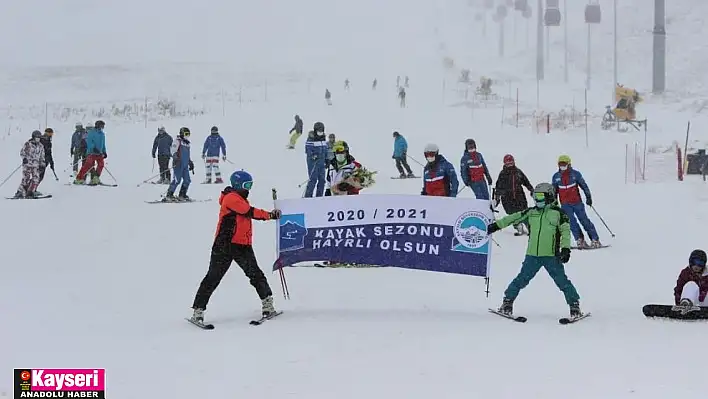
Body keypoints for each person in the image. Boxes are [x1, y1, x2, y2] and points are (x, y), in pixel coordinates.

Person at [190, 170, 282, 324]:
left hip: (242, 245)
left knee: (255, 274)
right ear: (238, 184)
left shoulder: (238, 197)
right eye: (247, 185)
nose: (249, 189)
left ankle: (268, 304)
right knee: (213, 277)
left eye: (250, 185)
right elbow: (249, 212)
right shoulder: (231, 198)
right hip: (224, 245)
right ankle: (198, 310)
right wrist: (270, 215)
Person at [486, 183, 583, 318]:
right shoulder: (531, 212)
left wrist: (565, 249)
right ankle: (507, 302)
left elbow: (565, 232)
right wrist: (496, 225)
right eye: (535, 197)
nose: (537, 200)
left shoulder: (559, 214)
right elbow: (513, 217)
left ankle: (574, 305)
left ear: (549, 196)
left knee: (562, 281)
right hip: (532, 255)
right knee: (521, 279)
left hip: (551, 256)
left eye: (540, 196)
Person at [551, 155, 601, 249]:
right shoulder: (556, 177)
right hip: (565, 205)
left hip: (576, 202)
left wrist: (588, 197)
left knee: (584, 221)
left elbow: (584, 186)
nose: (562, 166)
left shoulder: (575, 174)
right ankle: (580, 240)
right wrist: (554, 202)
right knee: (571, 223)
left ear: (569, 164)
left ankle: (595, 239)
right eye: (560, 164)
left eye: (564, 164)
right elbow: (554, 191)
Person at [493, 154, 534, 236]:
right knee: (512, 215)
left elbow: (526, 181)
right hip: (507, 199)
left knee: (524, 213)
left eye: (511, 163)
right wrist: (497, 198)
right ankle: (519, 228)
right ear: (504, 164)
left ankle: (530, 229)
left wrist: (531, 190)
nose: (509, 165)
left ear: (514, 162)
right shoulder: (502, 174)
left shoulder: (518, 172)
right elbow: (498, 187)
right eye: (507, 163)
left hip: (519, 196)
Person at [164, 127, 194, 201]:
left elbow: (187, 155)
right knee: (177, 180)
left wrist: (190, 162)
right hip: (178, 164)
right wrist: (175, 157)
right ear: (182, 134)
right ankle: (169, 195)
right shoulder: (177, 141)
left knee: (187, 180)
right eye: (186, 134)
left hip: (185, 165)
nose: (187, 136)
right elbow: (173, 150)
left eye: (188, 134)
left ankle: (182, 195)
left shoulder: (187, 144)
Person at [13, 130, 45, 198]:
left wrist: (42, 164)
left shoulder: (41, 146)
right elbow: (22, 152)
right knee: (26, 179)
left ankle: (30, 192)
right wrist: (24, 158)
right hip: (27, 164)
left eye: (39, 137)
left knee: (36, 179)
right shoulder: (28, 144)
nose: (38, 139)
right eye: (37, 137)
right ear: (33, 137)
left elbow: (42, 156)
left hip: (35, 165)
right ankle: (20, 192)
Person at [74, 120, 107, 185]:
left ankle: (95, 178)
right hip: (91, 153)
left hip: (99, 153)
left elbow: (103, 144)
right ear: (98, 125)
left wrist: (104, 151)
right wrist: (93, 148)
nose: (102, 127)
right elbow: (89, 142)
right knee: (87, 166)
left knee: (101, 165)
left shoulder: (102, 134)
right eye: (102, 125)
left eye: (103, 126)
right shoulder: (91, 133)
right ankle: (79, 179)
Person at [304, 122, 328, 197]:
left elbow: (325, 149)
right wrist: (313, 156)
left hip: (321, 163)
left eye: (321, 130)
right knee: (313, 179)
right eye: (318, 130)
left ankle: (319, 196)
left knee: (322, 180)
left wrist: (326, 159)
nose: (320, 132)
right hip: (313, 163)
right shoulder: (311, 138)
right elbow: (308, 150)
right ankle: (308, 196)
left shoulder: (323, 138)